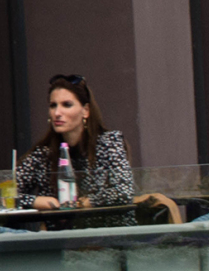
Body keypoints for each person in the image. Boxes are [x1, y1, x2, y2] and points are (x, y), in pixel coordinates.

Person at [15, 73, 136, 210]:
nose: (57, 113)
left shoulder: (109, 142)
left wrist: (78, 204)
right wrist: (37, 201)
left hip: (108, 230)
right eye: (53, 105)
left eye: (66, 105)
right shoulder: (43, 154)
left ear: (85, 111)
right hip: (64, 231)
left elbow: (123, 192)